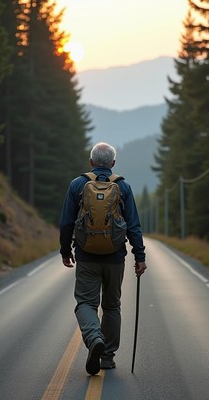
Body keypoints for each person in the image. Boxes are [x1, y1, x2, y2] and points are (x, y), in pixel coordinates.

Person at [59, 142, 147, 375]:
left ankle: (93, 337)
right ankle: (107, 357)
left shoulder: (77, 185)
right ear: (113, 164)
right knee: (112, 306)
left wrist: (65, 251)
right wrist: (140, 257)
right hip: (115, 257)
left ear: (91, 162)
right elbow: (134, 226)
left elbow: (66, 222)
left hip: (86, 255)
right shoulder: (123, 187)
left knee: (86, 303)